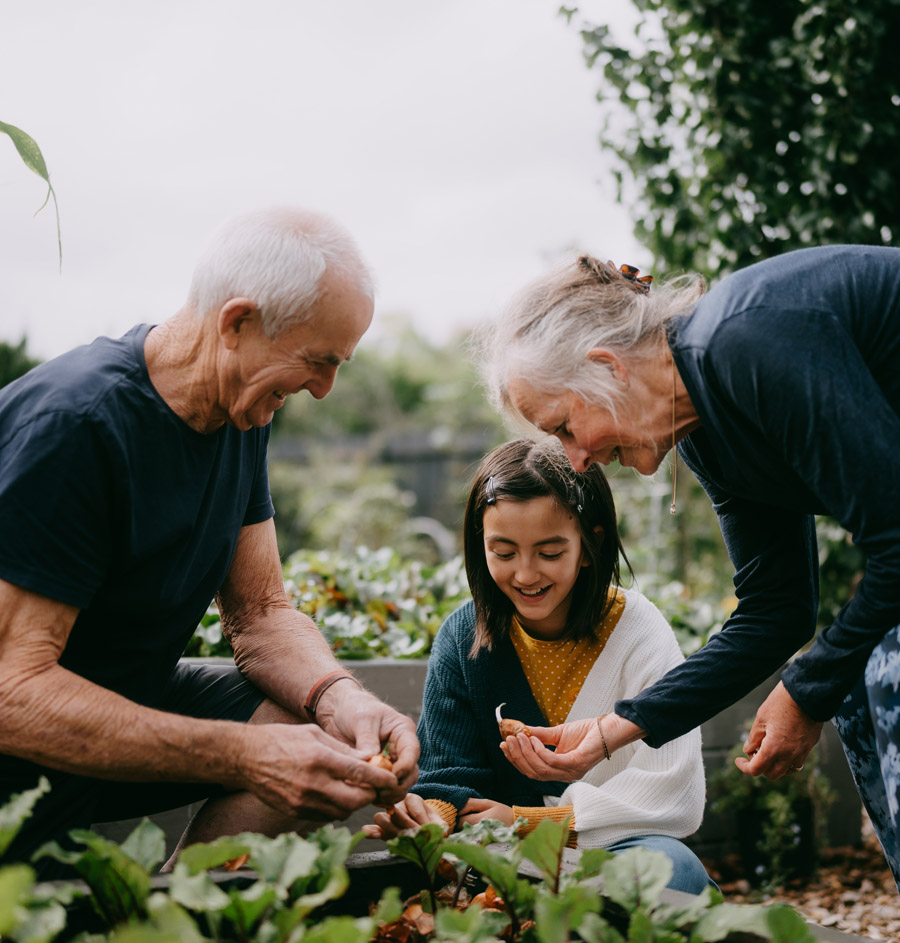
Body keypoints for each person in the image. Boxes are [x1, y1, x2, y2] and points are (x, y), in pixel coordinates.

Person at [0, 206, 419, 873]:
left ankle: (176, 925)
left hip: (117, 711)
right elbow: (12, 690)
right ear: (237, 322)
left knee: (317, 741)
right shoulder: (75, 428)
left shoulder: (242, 411)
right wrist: (240, 752)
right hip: (21, 756)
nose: (324, 389)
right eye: (317, 361)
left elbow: (259, 613)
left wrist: (343, 697)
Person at [476, 246, 900, 889]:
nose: (578, 462)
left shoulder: (748, 342)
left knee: (882, 671)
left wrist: (807, 688)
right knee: (858, 694)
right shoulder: (708, 431)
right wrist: (614, 730)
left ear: (607, 367)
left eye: (564, 426)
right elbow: (776, 610)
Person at [364, 438, 712, 894]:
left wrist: (530, 822)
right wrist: (431, 818)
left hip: (614, 851)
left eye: (550, 553)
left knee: (674, 872)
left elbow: (673, 787)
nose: (526, 575)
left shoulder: (640, 630)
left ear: (590, 544)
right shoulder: (462, 637)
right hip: (500, 855)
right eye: (503, 553)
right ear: (479, 543)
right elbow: (448, 773)